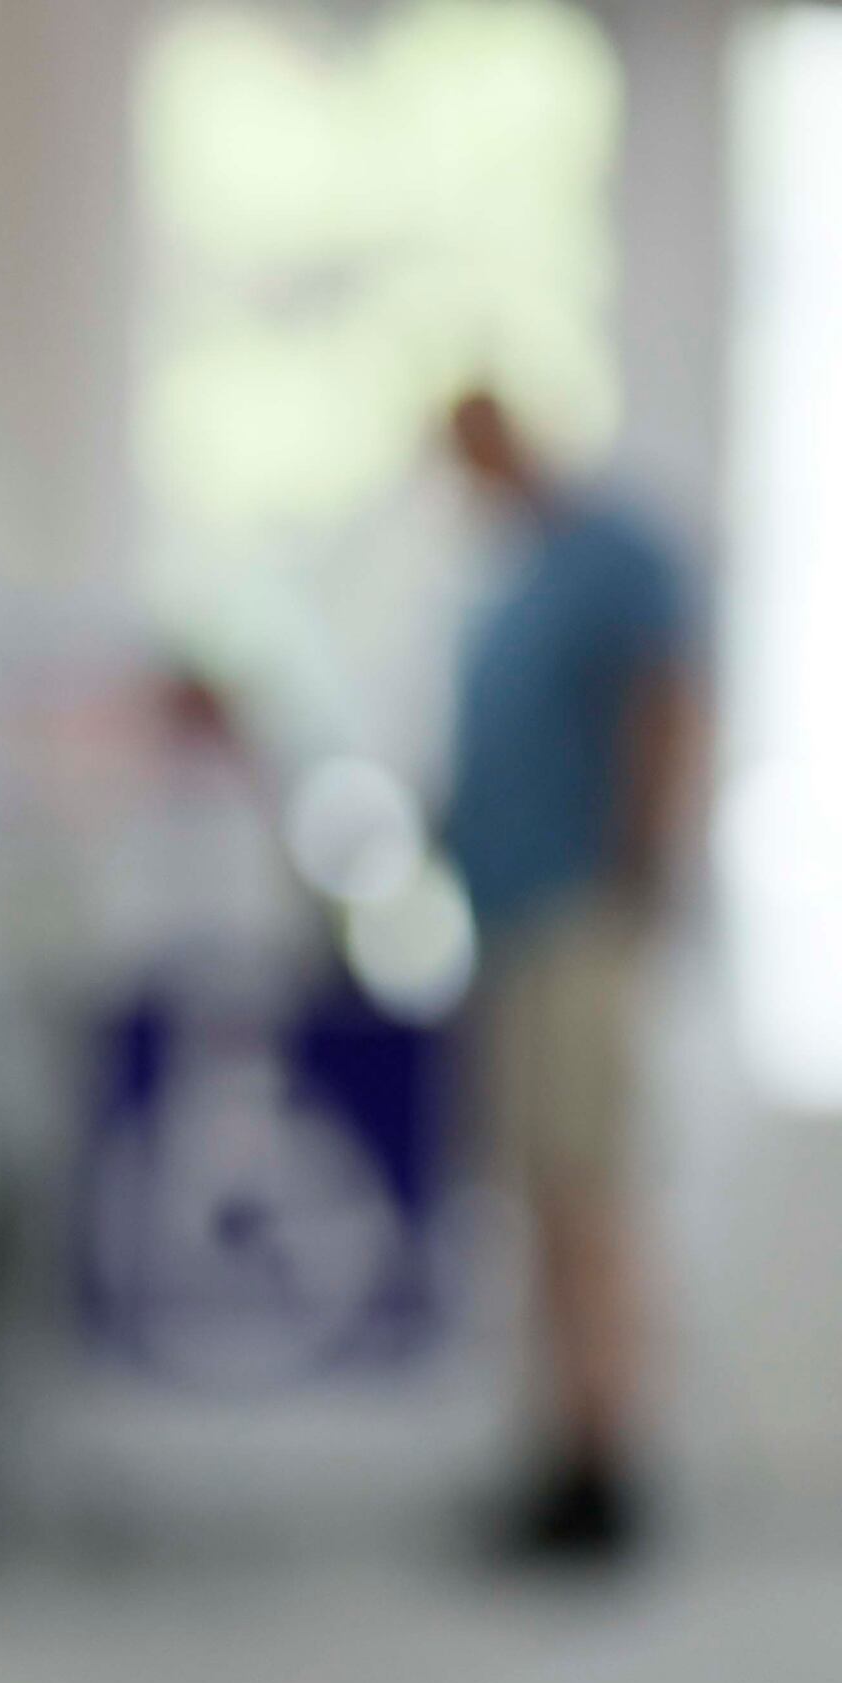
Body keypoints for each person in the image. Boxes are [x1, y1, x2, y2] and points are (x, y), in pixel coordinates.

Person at [439, 388, 701, 1564]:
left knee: (590, 1192)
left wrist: (641, 875)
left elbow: (669, 706)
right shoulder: (518, 578)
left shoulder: (615, 556)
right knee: (543, 1194)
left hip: (583, 916)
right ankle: (560, 1453)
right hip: (510, 921)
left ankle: (609, 1462)